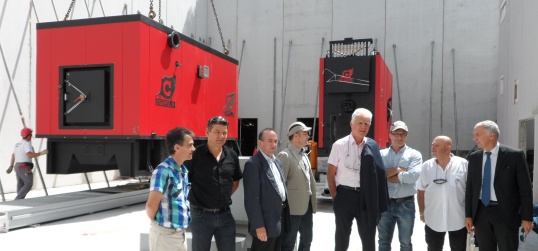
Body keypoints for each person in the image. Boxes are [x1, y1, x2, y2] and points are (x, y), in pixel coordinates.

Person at [465, 120, 533, 251]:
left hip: (506, 214)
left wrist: (526, 217)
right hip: (481, 213)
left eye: (478, 135)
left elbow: (525, 189)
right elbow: (470, 189)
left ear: (491, 135)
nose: (474, 139)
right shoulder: (474, 158)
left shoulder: (514, 156)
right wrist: (469, 214)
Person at [326, 108, 389, 251]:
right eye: (360, 123)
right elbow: (331, 174)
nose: (363, 127)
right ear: (351, 124)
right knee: (341, 239)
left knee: (368, 239)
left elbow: (379, 173)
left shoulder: (372, 146)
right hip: (344, 195)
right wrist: (336, 196)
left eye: (367, 123)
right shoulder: (339, 145)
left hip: (366, 198)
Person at [186, 116, 243, 251]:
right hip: (201, 216)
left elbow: (235, 182)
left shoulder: (232, 155)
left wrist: (220, 197)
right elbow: (183, 182)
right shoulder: (194, 155)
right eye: (217, 132)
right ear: (207, 132)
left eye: (224, 133)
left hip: (225, 216)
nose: (221, 136)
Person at [146, 127, 195, 251]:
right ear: (177, 147)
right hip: (165, 235)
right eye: (189, 145)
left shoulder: (182, 171)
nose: (193, 149)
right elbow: (151, 206)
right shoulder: (163, 171)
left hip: (179, 234)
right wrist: (160, 227)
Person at [416, 136, 468, 251]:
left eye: (437, 145)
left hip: (458, 218)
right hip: (433, 219)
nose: (433, 148)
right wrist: (421, 212)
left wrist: (470, 215)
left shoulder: (463, 164)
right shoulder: (426, 166)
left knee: (459, 248)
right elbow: (420, 190)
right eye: (432, 145)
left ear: (448, 148)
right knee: (433, 248)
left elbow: (470, 191)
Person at [378, 121, 423, 251]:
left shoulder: (414, 154)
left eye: (403, 134)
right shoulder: (381, 154)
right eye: (396, 134)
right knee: (383, 242)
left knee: (405, 243)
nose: (399, 137)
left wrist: (388, 174)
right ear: (390, 135)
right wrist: (399, 170)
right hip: (385, 204)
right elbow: (378, 176)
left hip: (406, 204)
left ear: (407, 136)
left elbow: (413, 177)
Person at [244, 128, 290, 251]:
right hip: (264, 223)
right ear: (260, 143)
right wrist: (258, 225)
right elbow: (251, 199)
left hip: (279, 220)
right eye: (270, 141)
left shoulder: (277, 162)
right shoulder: (253, 164)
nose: (274, 144)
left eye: (276, 141)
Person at [277, 122, 317, 251]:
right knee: (288, 242)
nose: (308, 136)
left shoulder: (304, 155)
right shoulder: (285, 155)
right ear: (295, 136)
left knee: (307, 240)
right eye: (305, 134)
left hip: (307, 207)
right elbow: (279, 185)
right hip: (292, 209)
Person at [7, 128, 48, 200]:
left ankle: (19, 201)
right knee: (29, 183)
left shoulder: (17, 144)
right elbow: (29, 155)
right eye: (31, 135)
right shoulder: (27, 144)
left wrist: (11, 165)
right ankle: (18, 199)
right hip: (24, 166)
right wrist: (41, 153)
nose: (31, 137)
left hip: (17, 166)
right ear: (29, 136)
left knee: (20, 184)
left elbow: (13, 155)